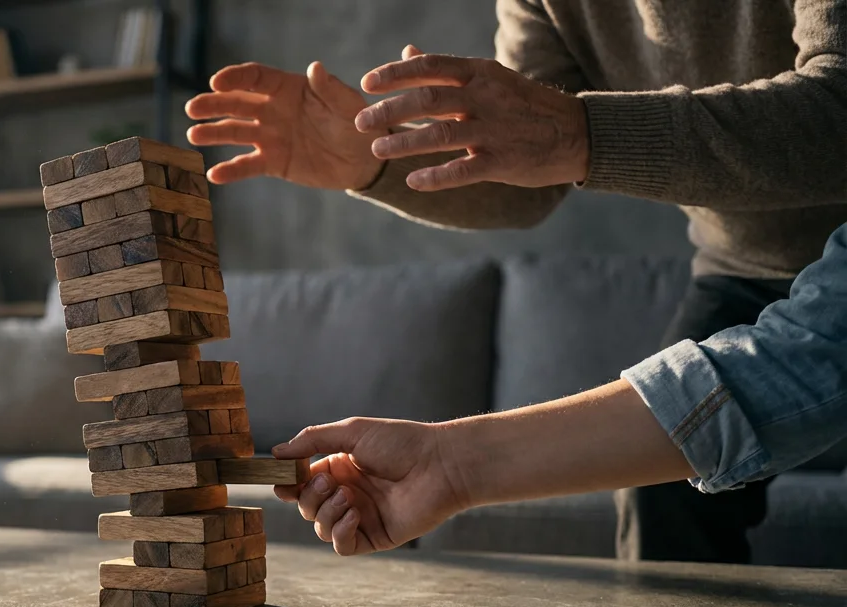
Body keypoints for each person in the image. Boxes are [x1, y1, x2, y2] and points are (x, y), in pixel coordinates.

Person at [184, 0, 847, 563]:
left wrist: (578, 133)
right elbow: (530, 168)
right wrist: (375, 165)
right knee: (663, 492)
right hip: (740, 263)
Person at [268, 222, 847, 556]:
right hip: (737, 250)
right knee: (660, 490)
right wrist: (446, 467)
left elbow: (814, 355)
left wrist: (581, 133)